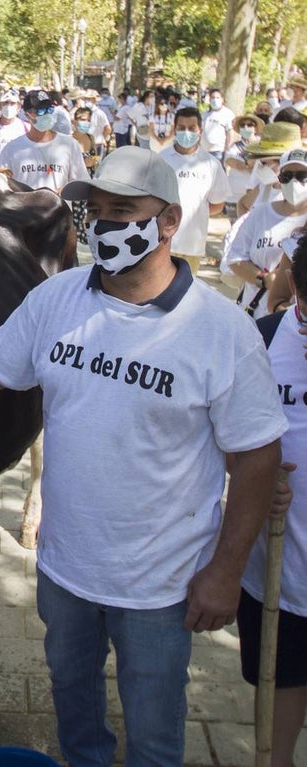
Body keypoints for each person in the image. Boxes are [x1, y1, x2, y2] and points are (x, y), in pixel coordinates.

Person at [0, 145, 287, 767]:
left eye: (125, 210)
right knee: (75, 709)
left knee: (153, 733)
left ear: (169, 221)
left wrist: (226, 571)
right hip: (65, 571)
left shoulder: (220, 330)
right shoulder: (57, 299)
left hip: (162, 588)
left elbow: (256, 457)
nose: (105, 224)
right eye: (94, 209)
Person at [244, 239, 307, 767]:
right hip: (278, 576)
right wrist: (256, 476)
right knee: (280, 687)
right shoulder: (261, 339)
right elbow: (227, 436)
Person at [226, 149, 307, 319]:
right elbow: (234, 258)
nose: (294, 182)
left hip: (296, 322)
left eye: (301, 176)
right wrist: (263, 279)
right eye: (287, 176)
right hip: (255, 314)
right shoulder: (260, 214)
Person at [159, 107, 229, 275]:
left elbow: (217, 205)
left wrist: (195, 213)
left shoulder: (211, 164)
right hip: (161, 242)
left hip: (192, 245)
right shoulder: (160, 159)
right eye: (181, 128)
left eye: (191, 128)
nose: (186, 132)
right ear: (174, 129)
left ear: (200, 130)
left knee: (186, 294)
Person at [0, 90, 89, 192]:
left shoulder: (69, 145)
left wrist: (63, 191)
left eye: (49, 110)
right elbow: (1, 187)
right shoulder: (12, 149)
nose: (46, 115)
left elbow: (81, 182)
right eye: (40, 111)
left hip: (59, 207)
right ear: (27, 115)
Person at [202, 88, 236, 162]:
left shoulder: (227, 114)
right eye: (213, 97)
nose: (215, 100)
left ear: (222, 99)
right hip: (204, 151)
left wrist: (227, 151)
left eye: (217, 97)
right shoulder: (205, 114)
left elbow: (230, 134)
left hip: (218, 151)